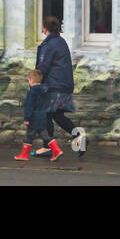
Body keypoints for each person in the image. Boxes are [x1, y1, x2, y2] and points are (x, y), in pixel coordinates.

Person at [36, 15, 76, 151]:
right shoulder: (61, 41)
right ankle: (80, 137)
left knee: (45, 112)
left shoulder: (49, 45)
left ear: (44, 28)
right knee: (56, 114)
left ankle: (47, 147)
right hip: (63, 84)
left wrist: (35, 83)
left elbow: (43, 67)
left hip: (53, 86)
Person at [16, 69, 63, 162]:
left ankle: (24, 155)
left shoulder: (32, 92)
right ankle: (56, 150)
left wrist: (27, 118)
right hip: (42, 116)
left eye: (28, 80)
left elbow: (29, 106)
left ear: (31, 80)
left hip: (33, 117)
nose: (28, 82)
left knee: (29, 136)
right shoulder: (45, 90)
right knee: (45, 135)